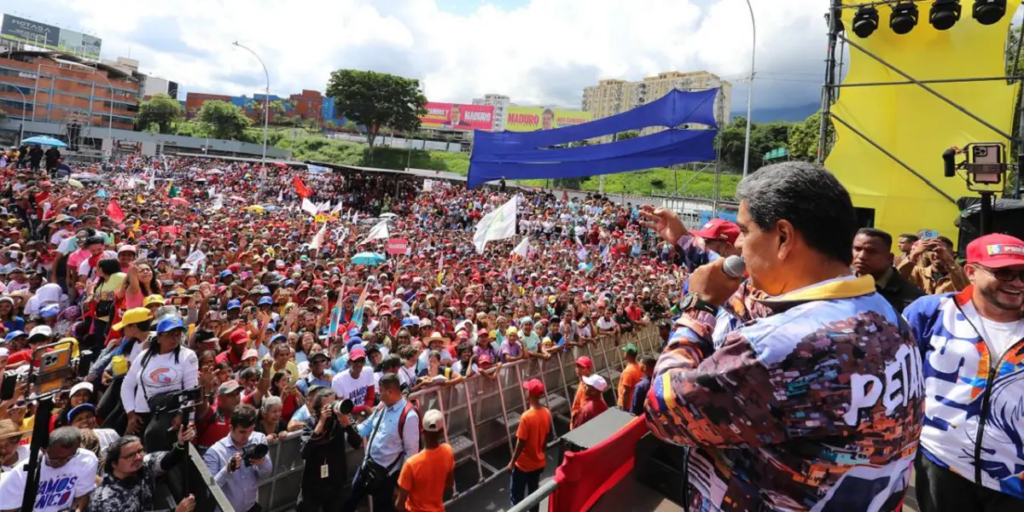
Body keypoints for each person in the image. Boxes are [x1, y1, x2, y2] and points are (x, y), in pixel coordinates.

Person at [643, 162, 923, 510]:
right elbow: (750, 295)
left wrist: (697, 308)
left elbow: (663, 407)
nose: (739, 247)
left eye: (744, 232)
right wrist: (686, 241)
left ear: (784, 237)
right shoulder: (885, 313)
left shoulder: (782, 348)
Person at [904, 233, 1024, 511]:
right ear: (970, 271)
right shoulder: (931, 312)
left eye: (1022, 274)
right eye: (1004, 273)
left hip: (1014, 477)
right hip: (942, 461)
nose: (1017, 283)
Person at [120, 315, 199, 451]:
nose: (175, 338)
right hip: (142, 411)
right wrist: (130, 413)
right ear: (159, 336)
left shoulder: (187, 356)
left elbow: (191, 390)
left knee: (152, 436)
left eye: (178, 334)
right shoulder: (144, 356)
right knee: (126, 446)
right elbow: (127, 384)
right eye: (170, 334)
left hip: (170, 411)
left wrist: (185, 417)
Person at [343, 374, 419, 512]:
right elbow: (363, 429)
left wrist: (401, 486)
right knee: (349, 502)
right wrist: (347, 423)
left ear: (390, 392)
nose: (378, 394)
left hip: (387, 477)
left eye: (381, 391)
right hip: (367, 468)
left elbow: (411, 455)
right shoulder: (382, 407)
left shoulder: (409, 416)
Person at [87, 426, 197, 512]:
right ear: (114, 464)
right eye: (130, 456)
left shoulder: (143, 465)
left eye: (140, 451)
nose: (138, 457)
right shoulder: (106, 498)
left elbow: (168, 460)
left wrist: (181, 443)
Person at [0, 427, 98, 512]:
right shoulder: (23, 472)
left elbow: (82, 496)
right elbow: (8, 509)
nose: (62, 462)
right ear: (44, 449)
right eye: (55, 459)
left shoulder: (86, 460)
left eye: (68, 458)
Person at [298, 387, 361, 512]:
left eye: (335, 403)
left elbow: (357, 443)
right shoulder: (311, 423)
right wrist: (321, 423)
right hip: (313, 482)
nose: (333, 408)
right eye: (329, 405)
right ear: (319, 409)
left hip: (335, 479)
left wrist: (347, 424)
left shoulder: (342, 419)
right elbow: (305, 452)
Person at [203, 404, 273, 512]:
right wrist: (226, 470)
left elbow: (266, 474)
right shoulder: (214, 452)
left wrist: (262, 462)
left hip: (251, 507)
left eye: (250, 430)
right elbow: (210, 488)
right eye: (242, 431)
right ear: (231, 427)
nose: (247, 436)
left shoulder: (259, 439)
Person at [852, 228, 924, 313]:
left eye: (871, 251)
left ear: (889, 258)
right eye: (857, 249)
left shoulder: (913, 300)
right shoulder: (839, 286)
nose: (861, 256)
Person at [396, 409, 454, 512]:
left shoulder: (411, 464)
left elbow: (399, 505)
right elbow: (449, 483)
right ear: (442, 431)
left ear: (422, 431)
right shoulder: (448, 452)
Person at [508, 379, 550, 512]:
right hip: (538, 463)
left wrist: (512, 462)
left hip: (523, 465)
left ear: (530, 394)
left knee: (517, 498)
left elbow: (521, 442)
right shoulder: (546, 413)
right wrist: (541, 452)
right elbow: (545, 439)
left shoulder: (526, 417)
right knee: (533, 496)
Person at [332, 347, 376, 415]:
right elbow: (342, 407)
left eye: (361, 361)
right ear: (349, 362)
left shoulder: (368, 371)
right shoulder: (338, 380)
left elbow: (370, 397)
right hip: (348, 415)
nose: (359, 364)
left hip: (365, 412)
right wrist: (364, 409)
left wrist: (364, 412)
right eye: (355, 361)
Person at [569, 356, 593, 429]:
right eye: (577, 366)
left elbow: (584, 409)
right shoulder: (582, 382)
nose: (577, 369)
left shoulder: (587, 388)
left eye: (581, 367)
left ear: (589, 369)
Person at [616, 343, 641, 410]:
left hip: (626, 405)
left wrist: (624, 407)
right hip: (634, 402)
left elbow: (626, 391)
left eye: (625, 351)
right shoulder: (639, 365)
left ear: (627, 354)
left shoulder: (628, 371)